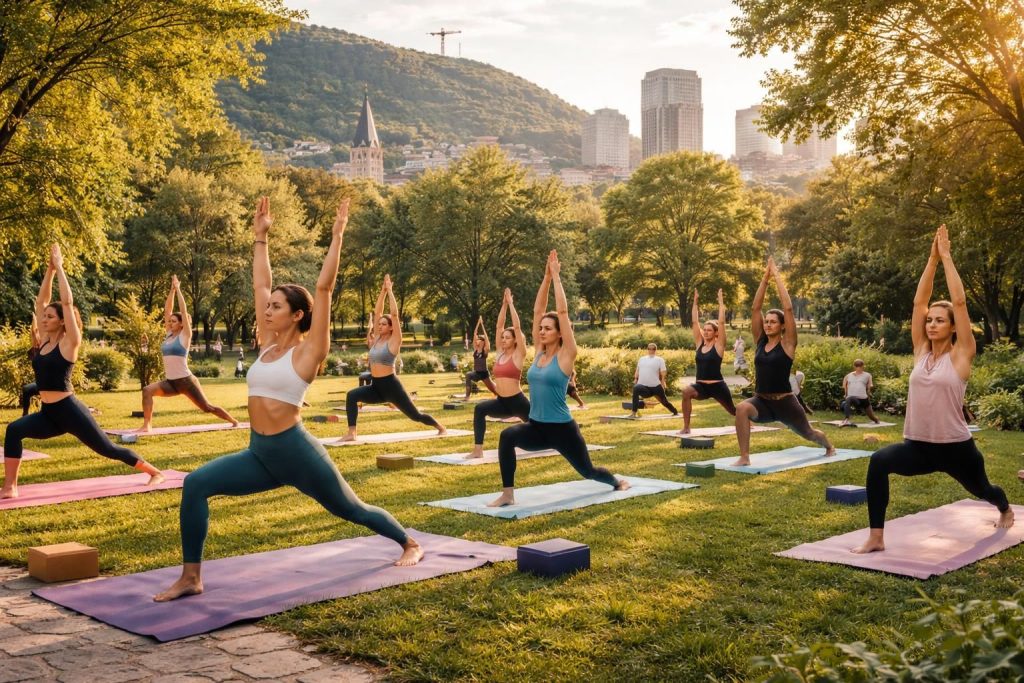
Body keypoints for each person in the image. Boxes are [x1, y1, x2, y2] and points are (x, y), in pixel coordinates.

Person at [154, 197, 422, 602]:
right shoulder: (267, 344)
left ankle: (408, 542)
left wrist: (337, 236)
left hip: (297, 453)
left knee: (352, 510)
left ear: (297, 315)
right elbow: (261, 284)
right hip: (259, 454)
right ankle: (191, 577)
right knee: (196, 484)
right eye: (268, 306)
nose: (267, 310)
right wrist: (260, 238)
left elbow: (323, 288)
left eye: (276, 307)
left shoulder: (309, 351)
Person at [852, 226, 1012, 554]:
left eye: (940, 320)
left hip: (956, 448)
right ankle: (876, 537)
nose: (932, 324)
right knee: (878, 462)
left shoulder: (962, 355)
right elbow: (919, 302)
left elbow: (960, 302)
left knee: (984, 490)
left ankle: (1004, 507)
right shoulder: (921, 352)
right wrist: (931, 260)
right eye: (930, 320)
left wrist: (947, 257)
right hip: (918, 446)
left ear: (953, 327)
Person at [2, 245, 164, 499]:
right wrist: (49, 270)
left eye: (50, 317)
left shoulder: (69, 343)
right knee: (14, 430)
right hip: (48, 413)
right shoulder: (45, 340)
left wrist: (61, 267)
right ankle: (10, 487)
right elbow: (40, 301)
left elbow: (67, 302)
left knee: (108, 449)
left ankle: (154, 472)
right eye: (44, 317)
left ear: (62, 321)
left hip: (70, 411)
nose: (44, 319)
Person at [488, 251, 628, 507]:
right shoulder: (539, 353)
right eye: (540, 328)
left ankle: (616, 482)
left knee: (588, 471)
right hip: (537, 426)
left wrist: (556, 277)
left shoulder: (566, 355)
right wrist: (545, 278)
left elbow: (561, 312)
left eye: (547, 329)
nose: (541, 332)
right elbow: (538, 311)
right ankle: (508, 494)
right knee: (507, 436)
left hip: (563, 430)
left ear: (560, 332)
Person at [733, 257, 835, 466]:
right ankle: (744, 457)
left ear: (782, 326)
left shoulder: (788, 344)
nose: (768, 325)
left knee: (809, 433)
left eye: (773, 322)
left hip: (786, 404)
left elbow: (788, 309)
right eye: (767, 322)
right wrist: (765, 277)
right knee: (742, 408)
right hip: (762, 401)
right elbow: (755, 309)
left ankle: (829, 446)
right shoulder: (760, 342)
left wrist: (777, 276)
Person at [342, 276, 446, 441]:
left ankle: (440, 427)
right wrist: (382, 291)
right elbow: (377, 312)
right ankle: (352, 433)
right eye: (379, 324)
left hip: (391, 386)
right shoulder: (377, 339)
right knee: (352, 396)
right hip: (376, 386)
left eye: (384, 324)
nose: (380, 326)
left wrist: (390, 291)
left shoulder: (395, 340)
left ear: (391, 327)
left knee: (416, 416)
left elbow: (395, 315)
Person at [135, 276, 239, 433]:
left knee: (207, 407)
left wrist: (178, 290)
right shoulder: (169, 335)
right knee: (147, 390)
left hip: (186, 382)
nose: (170, 323)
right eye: (169, 321)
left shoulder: (185, 336)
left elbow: (183, 311)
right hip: (171, 383)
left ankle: (233, 421)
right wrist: (171, 290)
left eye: (174, 321)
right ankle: (147, 425)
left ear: (182, 323)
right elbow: (167, 310)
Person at [466, 288, 530, 459]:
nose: (503, 340)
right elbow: (499, 326)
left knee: (542, 429)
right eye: (502, 338)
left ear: (515, 339)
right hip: (502, 402)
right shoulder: (500, 353)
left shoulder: (519, 354)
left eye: (507, 337)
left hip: (518, 402)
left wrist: (511, 304)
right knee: (480, 409)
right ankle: (478, 450)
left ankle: (558, 439)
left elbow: (517, 327)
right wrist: (503, 304)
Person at [680, 289, 735, 433]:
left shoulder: (719, 346)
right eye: (704, 329)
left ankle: (748, 420)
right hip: (701, 387)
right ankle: (686, 427)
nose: (705, 332)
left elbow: (721, 322)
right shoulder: (700, 344)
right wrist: (695, 302)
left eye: (709, 330)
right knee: (686, 392)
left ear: (716, 333)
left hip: (717, 386)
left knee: (733, 411)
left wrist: (721, 302)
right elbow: (694, 322)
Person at [629, 343, 678, 418]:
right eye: (649, 349)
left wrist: (663, 382)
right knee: (636, 388)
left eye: (653, 349)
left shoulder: (659, 360)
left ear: (656, 350)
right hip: (643, 387)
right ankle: (633, 413)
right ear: (647, 349)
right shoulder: (641, 359)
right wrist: (635, 379)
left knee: (664, 402)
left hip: (656, 387)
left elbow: (663, 372)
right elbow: (637, 370)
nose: (651, 350)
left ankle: (674, 411)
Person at [463, 317, 498, 399]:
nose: (477, 340)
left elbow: (487, 338)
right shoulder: (476, 349)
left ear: (483, 341)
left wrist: (482, 325)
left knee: (494, 390)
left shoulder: (485, 350)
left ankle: (502, 395)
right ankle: (467, 397)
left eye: (479, 339)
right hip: (476, 373)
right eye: (477, 339)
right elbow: (475, 333)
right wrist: (478, 323)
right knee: (468, 375)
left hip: (484, 373)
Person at [840, 359, 880, 425]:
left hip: (863, 399)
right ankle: (846, 419)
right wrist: (845, 394)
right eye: (857, 366)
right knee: (849, 399)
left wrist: (869, 390)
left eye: (860, 366)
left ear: (863, 366)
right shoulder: (848, 376)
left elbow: (870, 385)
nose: (858, 368)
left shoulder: (867, 375)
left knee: (872, 416)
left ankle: (876, 419)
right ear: (854, 366)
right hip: (852, 398)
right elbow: (845, 386)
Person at [20, 314, 41, 417]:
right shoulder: (35, 349)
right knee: (26, 389)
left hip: (50, 384)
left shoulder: (47, 347)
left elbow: (35, 332)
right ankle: (25, 414)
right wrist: (34, 318)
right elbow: (33, 332)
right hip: (40, 383)